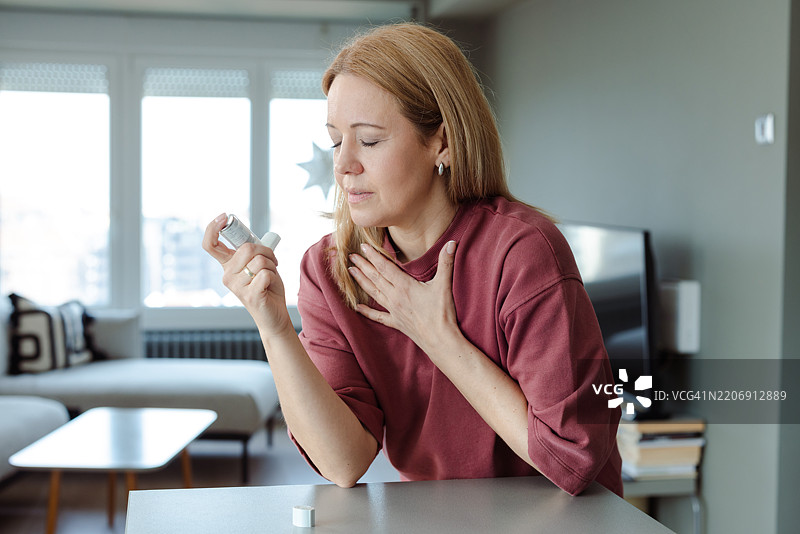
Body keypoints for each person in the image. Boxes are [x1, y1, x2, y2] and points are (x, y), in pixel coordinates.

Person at [203, 22, 623, 497]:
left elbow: (571, 458)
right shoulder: (330, 270)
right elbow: (343, 462)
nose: (343, 166)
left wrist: (437, 336)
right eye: (337, 140)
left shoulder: (522, 253)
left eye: (370, 140)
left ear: (441, 142)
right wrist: (274, 327)